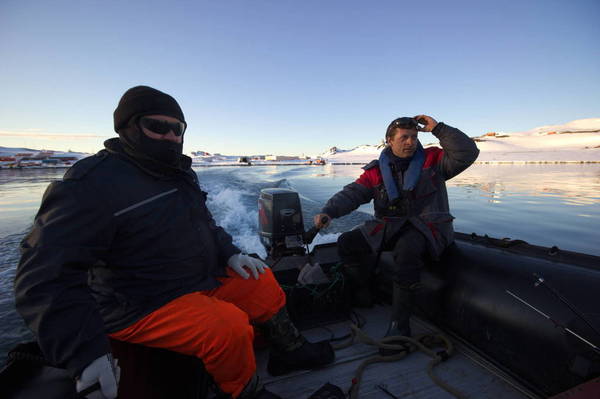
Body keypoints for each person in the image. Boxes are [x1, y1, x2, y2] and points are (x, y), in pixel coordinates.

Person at [14, 86, 334, 399]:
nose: (170, 137)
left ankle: (289, 351)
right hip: (138, 303)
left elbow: (203, 223)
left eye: (177, 129)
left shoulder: (178, 173)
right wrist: (82, 352)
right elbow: (42, 279)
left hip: (193, 279)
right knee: (228, 327)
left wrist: (229, 253)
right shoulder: (91, 185)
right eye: (157, 127)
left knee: (261, 280)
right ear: (128, 127)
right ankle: (243, 391)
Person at [313, 115, 479, 351]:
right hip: (389, 226)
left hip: (427, 228)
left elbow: (467, 152)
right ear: (389, 140)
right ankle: (362, 290)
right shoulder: (376, 171)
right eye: (404, 137)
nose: (410, 142)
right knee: (347, 242)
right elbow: (353, 194)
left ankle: (399, 325)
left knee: (407, 250)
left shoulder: (434, 160)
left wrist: (438, 128)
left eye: (413, 137)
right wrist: (328, 211)